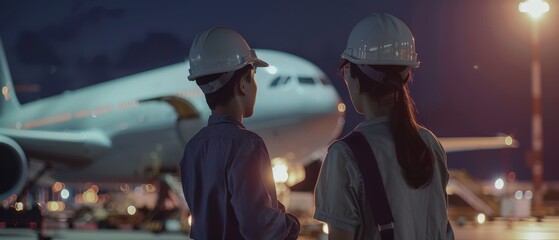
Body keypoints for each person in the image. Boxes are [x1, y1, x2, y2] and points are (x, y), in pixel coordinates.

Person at [313, 13, 455, 239]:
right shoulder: (429, 144)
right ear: (407, 75)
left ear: (354, 75)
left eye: (345, 71)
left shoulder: (344, 156)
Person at [180, 27, 300, 240]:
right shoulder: (247, 145)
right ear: (243, 84)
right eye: (253, 77)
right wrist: (291, 224)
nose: (255, 86)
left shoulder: (192, 148)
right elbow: (260, 228)